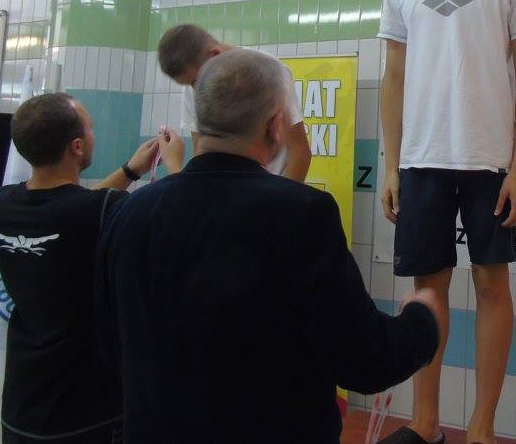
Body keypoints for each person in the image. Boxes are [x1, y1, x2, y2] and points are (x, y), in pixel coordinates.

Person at [97, 49, 441, 443]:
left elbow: (110, 348)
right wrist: (422, 321)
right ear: (276, 125)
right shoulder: (302, 214)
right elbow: (363, 361)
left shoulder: (129, 213)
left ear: (201, 122)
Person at [377, 0, 516, 444]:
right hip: (421, 158)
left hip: (488, 157)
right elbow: (394, 77)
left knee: (492, 285)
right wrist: (393, 165)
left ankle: (482, 427)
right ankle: (426, 423)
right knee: (428, 292)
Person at [0, 93, 183, 444]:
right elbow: (182, 218)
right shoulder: (101, 212)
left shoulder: (2, 205)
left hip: (22, 406)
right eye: (91, 129)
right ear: (77, 146)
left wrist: (130, 171)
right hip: (85, 411)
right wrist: (176, 167)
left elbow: (72, 210)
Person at [157, 23, 311, 181]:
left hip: (269, 187)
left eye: (194, 82)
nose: (195, 89)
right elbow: (201, 155)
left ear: (214, 55)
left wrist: (283, 194)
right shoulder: (194, 86)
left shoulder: (268, 72)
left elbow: (299, 151)